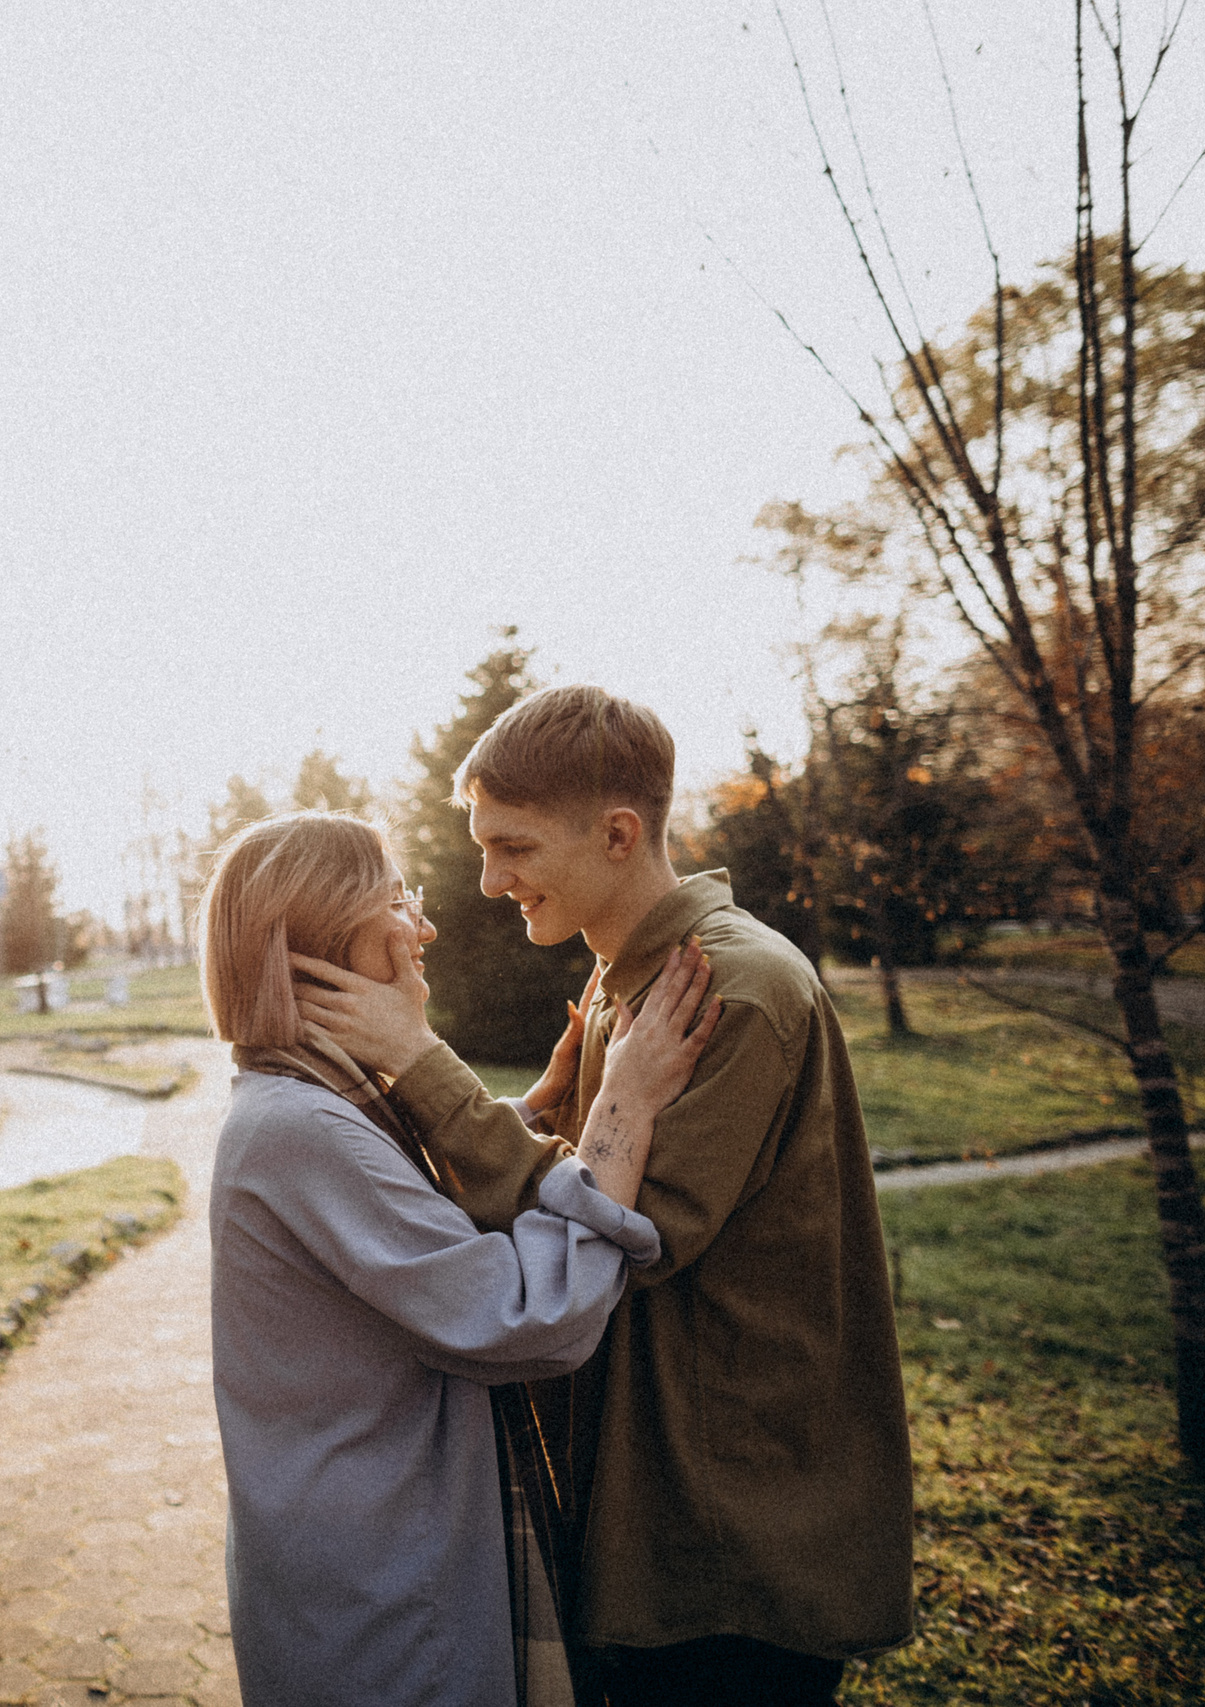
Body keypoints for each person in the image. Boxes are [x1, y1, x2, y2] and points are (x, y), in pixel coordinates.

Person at [292, 686, 915, 1706]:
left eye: (516, 847)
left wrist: (419, 1063)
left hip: (736, 1545)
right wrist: (528, 1115)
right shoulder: (628, 982)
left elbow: (623, 1231)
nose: (490, 881)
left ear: (619, 833)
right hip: (661, 1515)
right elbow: (573, 1188)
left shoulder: (731, 991)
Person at [204, 810, 719, 1707]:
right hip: (385, 1602)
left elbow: (403, 1218)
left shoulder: (302, 1102)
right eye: (401, 899)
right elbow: (527, 1316)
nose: (428, 925)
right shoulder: (303, 1129)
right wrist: (621, 1112)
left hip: (360, 1564)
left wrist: (518, 1121)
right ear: (329, 935)